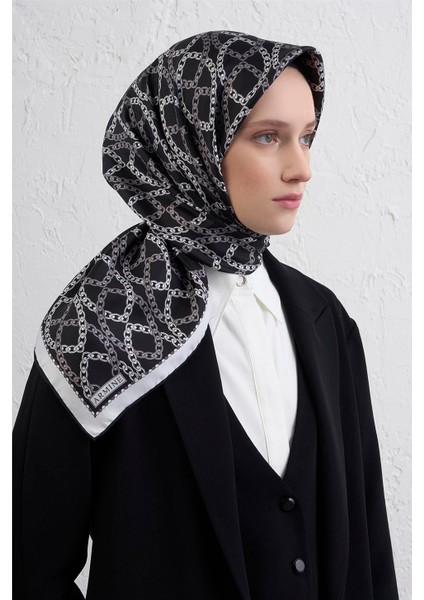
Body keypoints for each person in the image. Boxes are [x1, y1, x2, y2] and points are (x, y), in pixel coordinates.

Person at [13, 30, 399, 599]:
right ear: (189, 141)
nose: (302, 169)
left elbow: (368, 553)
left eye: (307, 137)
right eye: (268, 137)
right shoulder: (95, 325)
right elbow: (26, 566)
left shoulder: (327, 322)